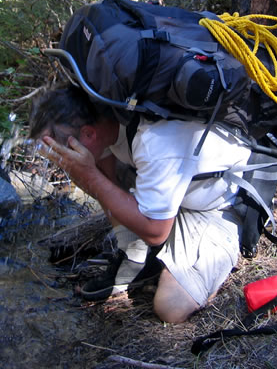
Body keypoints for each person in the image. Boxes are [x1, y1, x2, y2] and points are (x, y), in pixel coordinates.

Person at [29, 83, 252, 323]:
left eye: (58, 152)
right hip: (177, 186)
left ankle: (210, 251)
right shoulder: (113, 114)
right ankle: (135, 255)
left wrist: (88, 175)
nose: (58, 161)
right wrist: (89, 176)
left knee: (171, 307)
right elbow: (108, 181)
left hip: (216, 205)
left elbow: (155, 231)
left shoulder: (153, 142)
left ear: (88, 134)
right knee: (94, 176)